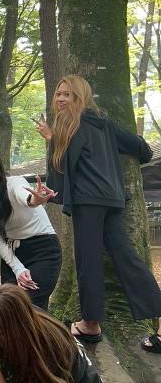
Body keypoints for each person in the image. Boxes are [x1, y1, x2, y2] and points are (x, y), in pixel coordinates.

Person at [36, 74, 161, 347]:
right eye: (59, 94)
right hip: (112, 199)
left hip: (88, 201)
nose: (61, 99)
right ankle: (158, 323)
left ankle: (90, 325)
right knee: (126, 257)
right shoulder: (105, 125)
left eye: (68, 94)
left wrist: (51, 138)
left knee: (88, 260)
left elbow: (64, 167)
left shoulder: (72, 126)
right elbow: (143, 150)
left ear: (80, 97)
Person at [0, 148, 61, 310]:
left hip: (43, 251)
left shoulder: (14, 183)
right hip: (12, 255)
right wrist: (18, 268)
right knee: (8, 307)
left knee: (28, 306)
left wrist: (34, 200)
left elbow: (25, 197)